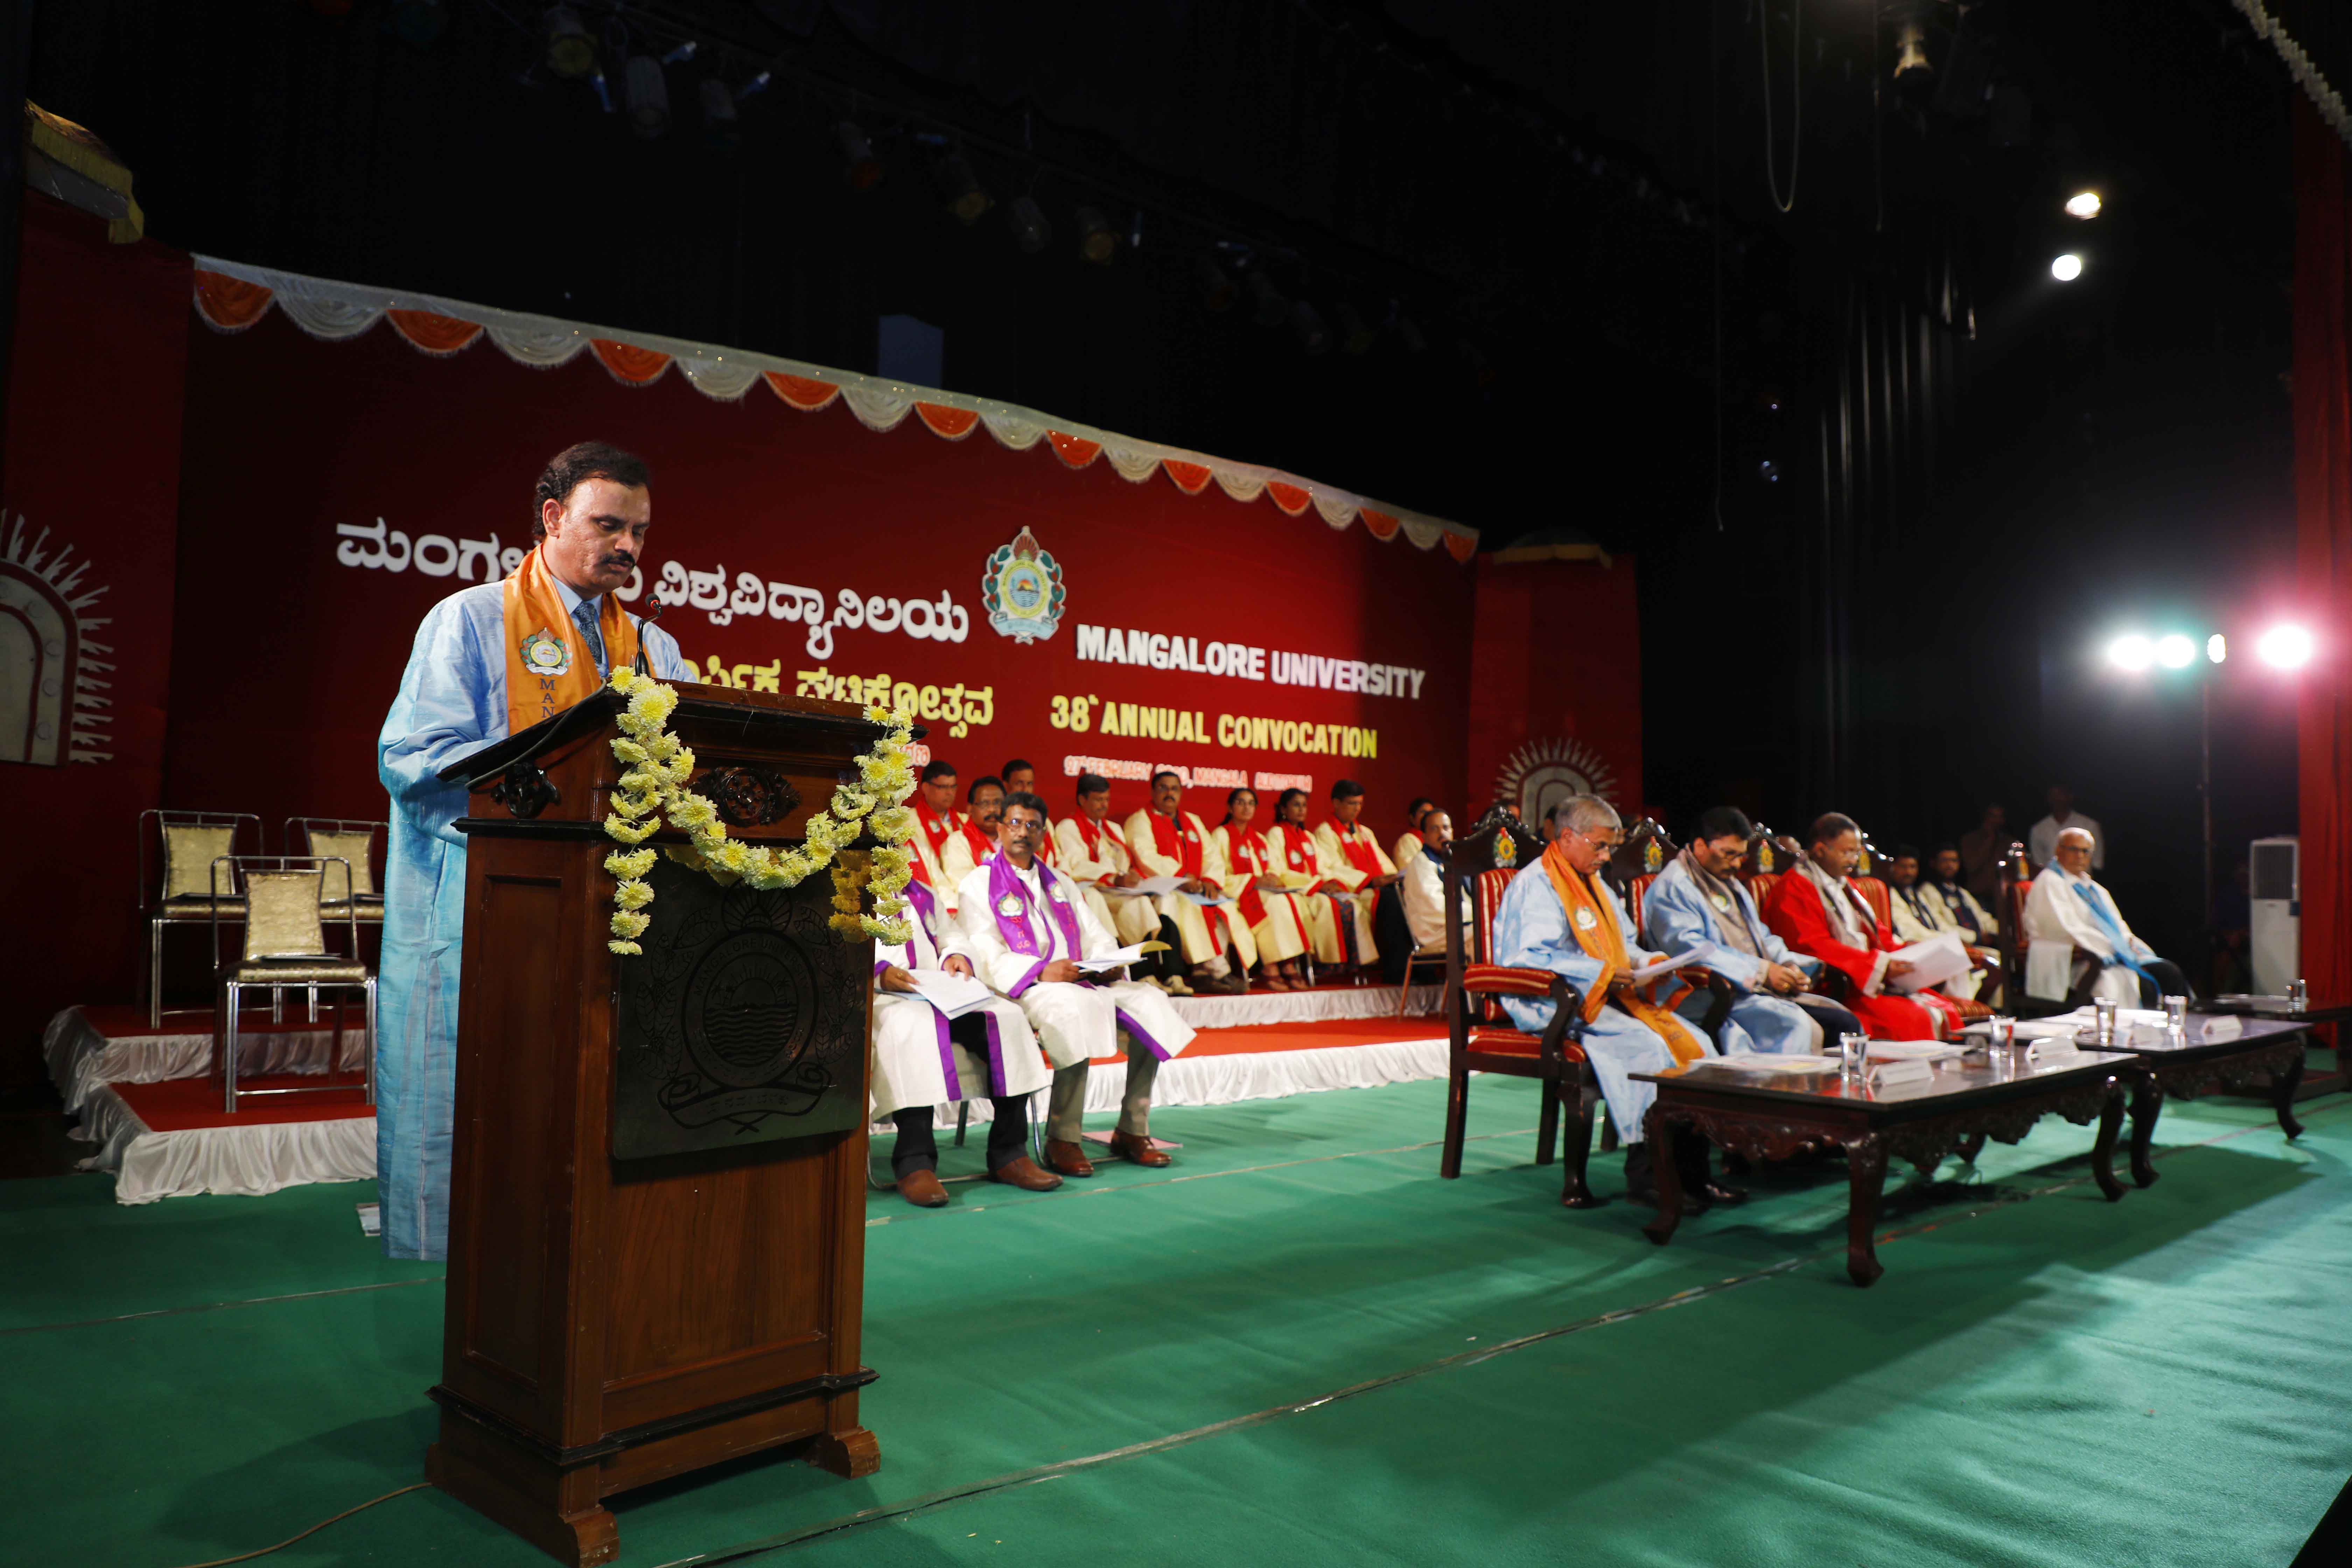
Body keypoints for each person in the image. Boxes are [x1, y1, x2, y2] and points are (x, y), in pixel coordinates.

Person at [377, 441, 692, 1260]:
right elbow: (412, 759)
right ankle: (469, 1271)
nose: (627, 546)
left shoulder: (653, 650)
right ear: (553, 517)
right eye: (608, 525)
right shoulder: (472, 619)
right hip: (487, 910)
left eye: (639, 532)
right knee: (484, 1115)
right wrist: (545, 782)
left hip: (609, 921)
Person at [1492, 795, 1741, 1209]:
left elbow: (1624, 946)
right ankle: (1648, 1177)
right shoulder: (1536, 884)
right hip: (1553, 1003)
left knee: (1699, 1045)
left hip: (1603, 995)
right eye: (1601, 846)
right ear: (1567, 837)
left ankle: (1694, 1173)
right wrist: (1600, 973)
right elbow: (1527, 959)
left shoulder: (1594, 882)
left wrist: (1651, 963)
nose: (1607, 857)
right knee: (1646, 1048)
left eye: (1610, 847)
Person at [957, 793, 1198, 1176]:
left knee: (1151, 1001)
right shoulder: (979, 883)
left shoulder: (1060, 882)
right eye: (1015, 823)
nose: (1023, 832)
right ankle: (1063, 1137)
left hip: (1079, 979)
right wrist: (1041, 971)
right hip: (1026, 987)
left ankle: (1132, 1128)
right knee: (1073, 1009)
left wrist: (1107, 964)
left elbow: (1094, 932)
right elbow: (983, 949)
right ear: (1000, 828)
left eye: (1033, 825)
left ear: (1043, 833)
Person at [870, 876, 1060, 1206]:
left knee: (1009, 1018)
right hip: (882, 996)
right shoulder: (848, 890)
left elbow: (952, 935)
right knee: (913, 1029)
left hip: (939, 990)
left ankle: (1010, 1154)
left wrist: (955, 956)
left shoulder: (921, 892)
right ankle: (915, 1162)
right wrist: (879, 972)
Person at [1640, 806, 1856, 1055]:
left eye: (1741, 856)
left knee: (1844, 1022)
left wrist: (1787, 965)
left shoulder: (1728, 882)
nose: (1736, 864)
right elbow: (1693, 952)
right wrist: (1762, 972)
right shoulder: (1674, 886)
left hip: (1750, 988)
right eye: (1728, 854)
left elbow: (1761, 936)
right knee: (1797, 1026)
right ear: (1700, 846)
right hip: (1706, 994)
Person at [1761, 813, 1963, 1040]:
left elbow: (1879, 936)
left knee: (1945, 1009)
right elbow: (1811, 947)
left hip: (1867, 977)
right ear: (1820, 850)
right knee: (1913, 1018)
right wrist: (1879, 966)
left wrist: (1909, 953)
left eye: (1856, 853)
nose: (1853, 860)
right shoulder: (1795, 887)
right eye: (1846, 852)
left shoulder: (1847, 886)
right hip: (1840, 986)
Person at [2022, 826, 2191, 1007]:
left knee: (2169, 973)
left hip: (2111, 953)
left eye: (2085, 851)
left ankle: (2179, 1021)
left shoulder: (2094, 888)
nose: (2080, 856)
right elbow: (2065, 928)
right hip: (2078, 959)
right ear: (2059, 850)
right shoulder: (2050, 882)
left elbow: (2118, 924)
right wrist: (2113, 948)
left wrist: (2127, 941)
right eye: (2074, 849)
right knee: (2143, 985)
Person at [1124, 770, 1255, 994]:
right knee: (1188, 906)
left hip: (1194, 888)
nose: (1169, 793)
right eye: (1163, 788)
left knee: (1224, 908)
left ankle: (1202, 973)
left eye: (1174, 789)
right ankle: (1217, 971)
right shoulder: (1141, 820)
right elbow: (1146, 856)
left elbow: (1211, 855)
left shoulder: (1192, 821)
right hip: (1163, 888)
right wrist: (1181, 877)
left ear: (1181, 793)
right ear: (1153, 792)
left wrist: (1210, 880)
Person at [1211, 787, 1316, 990]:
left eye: (1251, 803)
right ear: (1230, 808)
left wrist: (1272, 878)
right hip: (1236, 892)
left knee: (1289, 900)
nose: (1247, 808)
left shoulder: (1259, 839)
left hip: (1260, 891)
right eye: (1241, 803)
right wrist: (1253, 881)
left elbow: (1274, 868)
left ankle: (1287, 962)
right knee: (1275, 903)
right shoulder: (1221, 835)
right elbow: (1218, 874)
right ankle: (1272, 966)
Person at [1885, 844, 2002, 1005]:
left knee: (1993, 959)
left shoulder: (1917, 894)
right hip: (1914, 949)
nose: (1908, 872)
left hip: (1937, 943)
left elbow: (1938, 924)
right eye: (1903, 867)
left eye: (1912, 867)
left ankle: (1984, 1008)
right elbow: (1913, 931)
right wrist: (1956, 941)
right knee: (1966, 959)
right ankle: (1963, 1009)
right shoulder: (1896, 894)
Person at [1055, 772, 1162, 948]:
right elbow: (1077, 865)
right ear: (1082, 800)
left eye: (1107, 799)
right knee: (1095, 899)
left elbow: (1124, 864)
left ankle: (1146, 958)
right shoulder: (1068, 827)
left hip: (1114, 890)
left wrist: (1129, 875)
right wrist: (1114, 878)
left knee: (1140, 902)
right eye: (1099, 800)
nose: (1104, 805)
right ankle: (1111, 954)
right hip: (1092, 887)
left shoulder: (1114, 829)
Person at [1314, 779, 1398, 974]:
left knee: (1401, 896)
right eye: (1352, 803)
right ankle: (1393, 967)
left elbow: (1383, 863)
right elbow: (1332, 867)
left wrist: (1393, 877)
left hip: (1373, 887)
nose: (1357, 809)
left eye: (1360, 804)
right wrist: (1368, 881)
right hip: (1355, 891)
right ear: (1336, 803)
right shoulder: (1325, 832)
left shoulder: (1365, 833)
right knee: (1390, 901)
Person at [1265, 787, 1349, 969]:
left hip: (1314, 888)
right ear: (1283, 809)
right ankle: (1323, 963)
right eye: (1296, 805)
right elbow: (1280, 871)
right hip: (1297, 891)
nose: (1302, 810)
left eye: (1304, 805)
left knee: (1345, 903)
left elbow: (1322, 866)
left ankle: (1339, 963)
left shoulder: (1309, 837)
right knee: (1325, 904)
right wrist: (1315, 885)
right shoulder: (1276, 834)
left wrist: (1330, 882)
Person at [911, 758, 979, 911]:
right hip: (931, 898)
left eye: (953, 787)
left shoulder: (966, 822)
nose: (950, 793)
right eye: (943, 787)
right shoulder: (909, 822)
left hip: (967, 900)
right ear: (926, 788)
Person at [1399, 808, 1469, 954]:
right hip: (1434, 933)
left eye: (1446, 828)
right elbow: (1437, 908)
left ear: (1452, 832)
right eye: (1434, 829)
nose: (1442, 833)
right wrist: (1478, 913)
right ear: (1424, 836)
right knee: (1485, 932)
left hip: (1459, 923)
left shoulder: (1455, 860)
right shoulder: (1421, 864)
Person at [2028, 784, 2104, 873]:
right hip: (2050, 880)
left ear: (2070, 797)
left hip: (2083, 879)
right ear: (2049, 799)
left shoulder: (2090, 826)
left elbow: (2097, 863)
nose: (2058, 799)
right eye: (2054, 795)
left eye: (2061, 795)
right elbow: (2038, 864)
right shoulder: (2038, 830)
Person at [1957, 803, 2010, 904]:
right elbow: (1971, 867)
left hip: (2003, 897)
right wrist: (1990, 840)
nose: (1995, 821)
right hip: (1978, 896)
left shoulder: (2009, 842)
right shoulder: (1970, 840)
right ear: (1985, 817)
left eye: (1999, 817)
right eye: (1992, 816)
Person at [960, 776, 1006, 867]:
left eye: (997, 803)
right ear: (970, 809)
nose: (992, 809)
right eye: (984, 804)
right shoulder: (958, 842)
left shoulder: (1017, 838)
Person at [1393, 797, 1437, 873]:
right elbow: (1411, 871)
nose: (1428, 816)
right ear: (1412, 818)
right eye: (1424, 812)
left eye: (1431, 813)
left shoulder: (1435, 842)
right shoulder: (1407, 840)